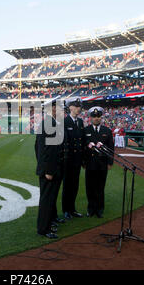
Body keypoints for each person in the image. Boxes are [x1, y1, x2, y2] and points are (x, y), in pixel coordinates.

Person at [35, 96, 65, 238]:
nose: (61, 109)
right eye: (59, 107)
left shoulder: (50, 122)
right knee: (46, 200)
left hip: (51, 169)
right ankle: (43, 229)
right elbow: (46, 150)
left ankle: (47, 225)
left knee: (49, 199)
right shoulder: (49, 123)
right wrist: (48, 170)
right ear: (52, 108)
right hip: (49, 171)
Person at [83, 106, 114, 218]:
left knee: (100, 187)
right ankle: (91, 209)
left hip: (102, 163)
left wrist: (110, 162)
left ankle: (100, 209)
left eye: (98, 116)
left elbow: (111, 147)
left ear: (101, 117)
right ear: (90, 118)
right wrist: (84, 162)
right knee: (90, 187)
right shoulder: (86, 130)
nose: (96, 118)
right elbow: (83, 148)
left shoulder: (107, 131)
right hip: (90, 163)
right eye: (94, 116)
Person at [62, 97, 84, 220]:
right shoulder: (65, 122)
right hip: (68, 160)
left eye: (79, 106)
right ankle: (66, 210)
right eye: (75, 106)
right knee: (67, 186)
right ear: (70, 107)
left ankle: (72, 209)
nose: (78, 109)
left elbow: (82, 141)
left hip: (77, 159)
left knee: (75, 185)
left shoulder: (80, 122)